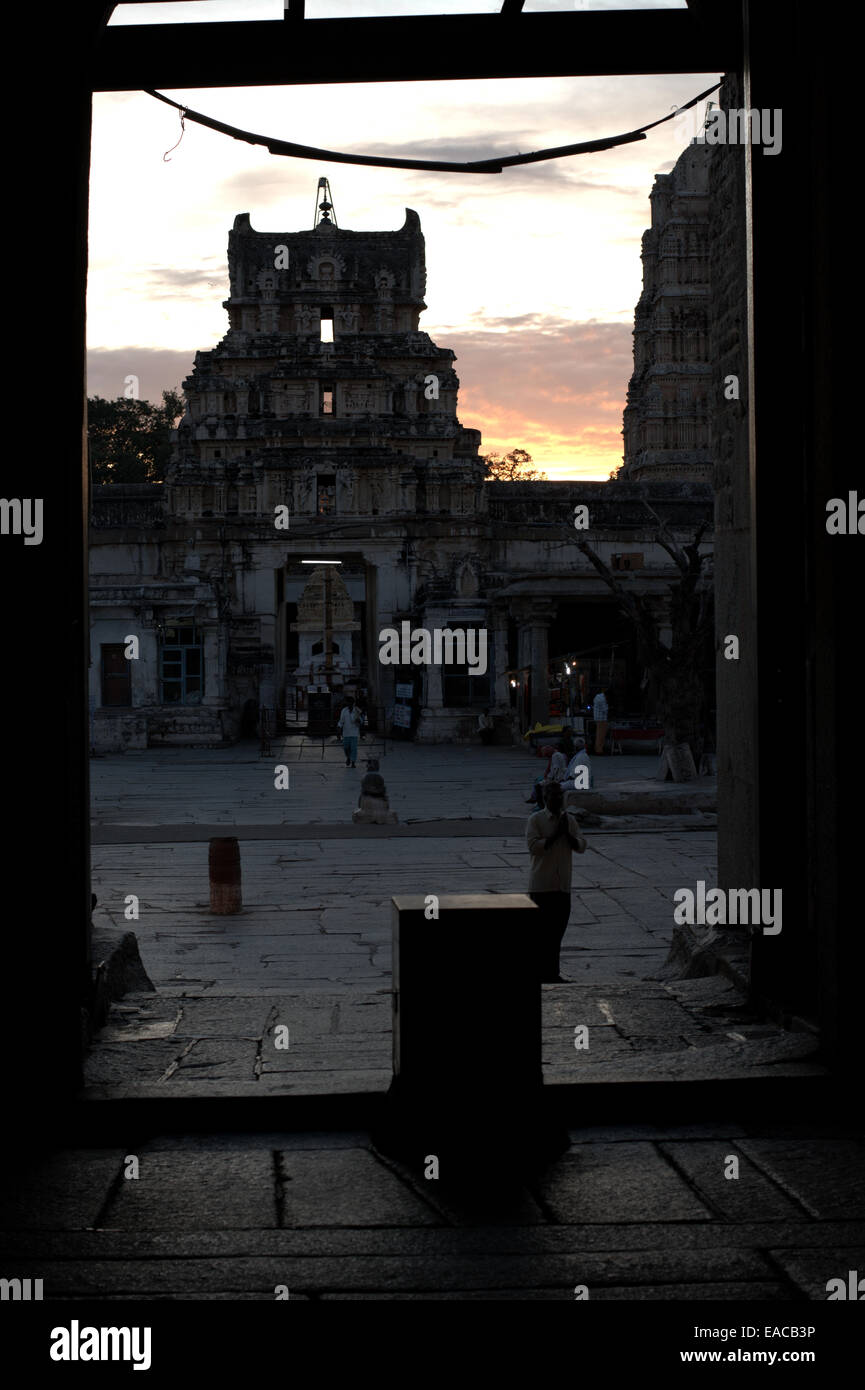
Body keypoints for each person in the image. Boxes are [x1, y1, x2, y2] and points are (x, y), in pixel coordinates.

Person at [526, 781, 587, 983]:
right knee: (541, 935)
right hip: (542, 886)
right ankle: (540, 973)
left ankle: (552, 973)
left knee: (556, 934)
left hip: (562, 886)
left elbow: (581, 845)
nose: (558, 800)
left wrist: (566, 834)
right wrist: (555, 835)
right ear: (546, 798)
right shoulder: (536, 819)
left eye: (560, 797)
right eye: (554, 797)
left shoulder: (568, 820)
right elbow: (535, 847)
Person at [337, 696, 363, 767]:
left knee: (353, 748)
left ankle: (353, 762)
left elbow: (361, 720)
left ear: (353, 703)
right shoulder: (344, 711)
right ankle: (348, 757)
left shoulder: (357, 710)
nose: (349, 704)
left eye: (351, 703)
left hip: (354, 732)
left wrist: (359, 721)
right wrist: (339, 727)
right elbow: (341, 721)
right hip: (346, 733)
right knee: (346, 748)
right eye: (348, 702)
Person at [592, 690, 609, 755]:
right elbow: (605, 709)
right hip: (602, 719)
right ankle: (599, 750)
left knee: (598, 735)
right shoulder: (602, 699)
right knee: (601, 736)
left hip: (597, 718)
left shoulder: (597, 697)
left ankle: (598, 749)